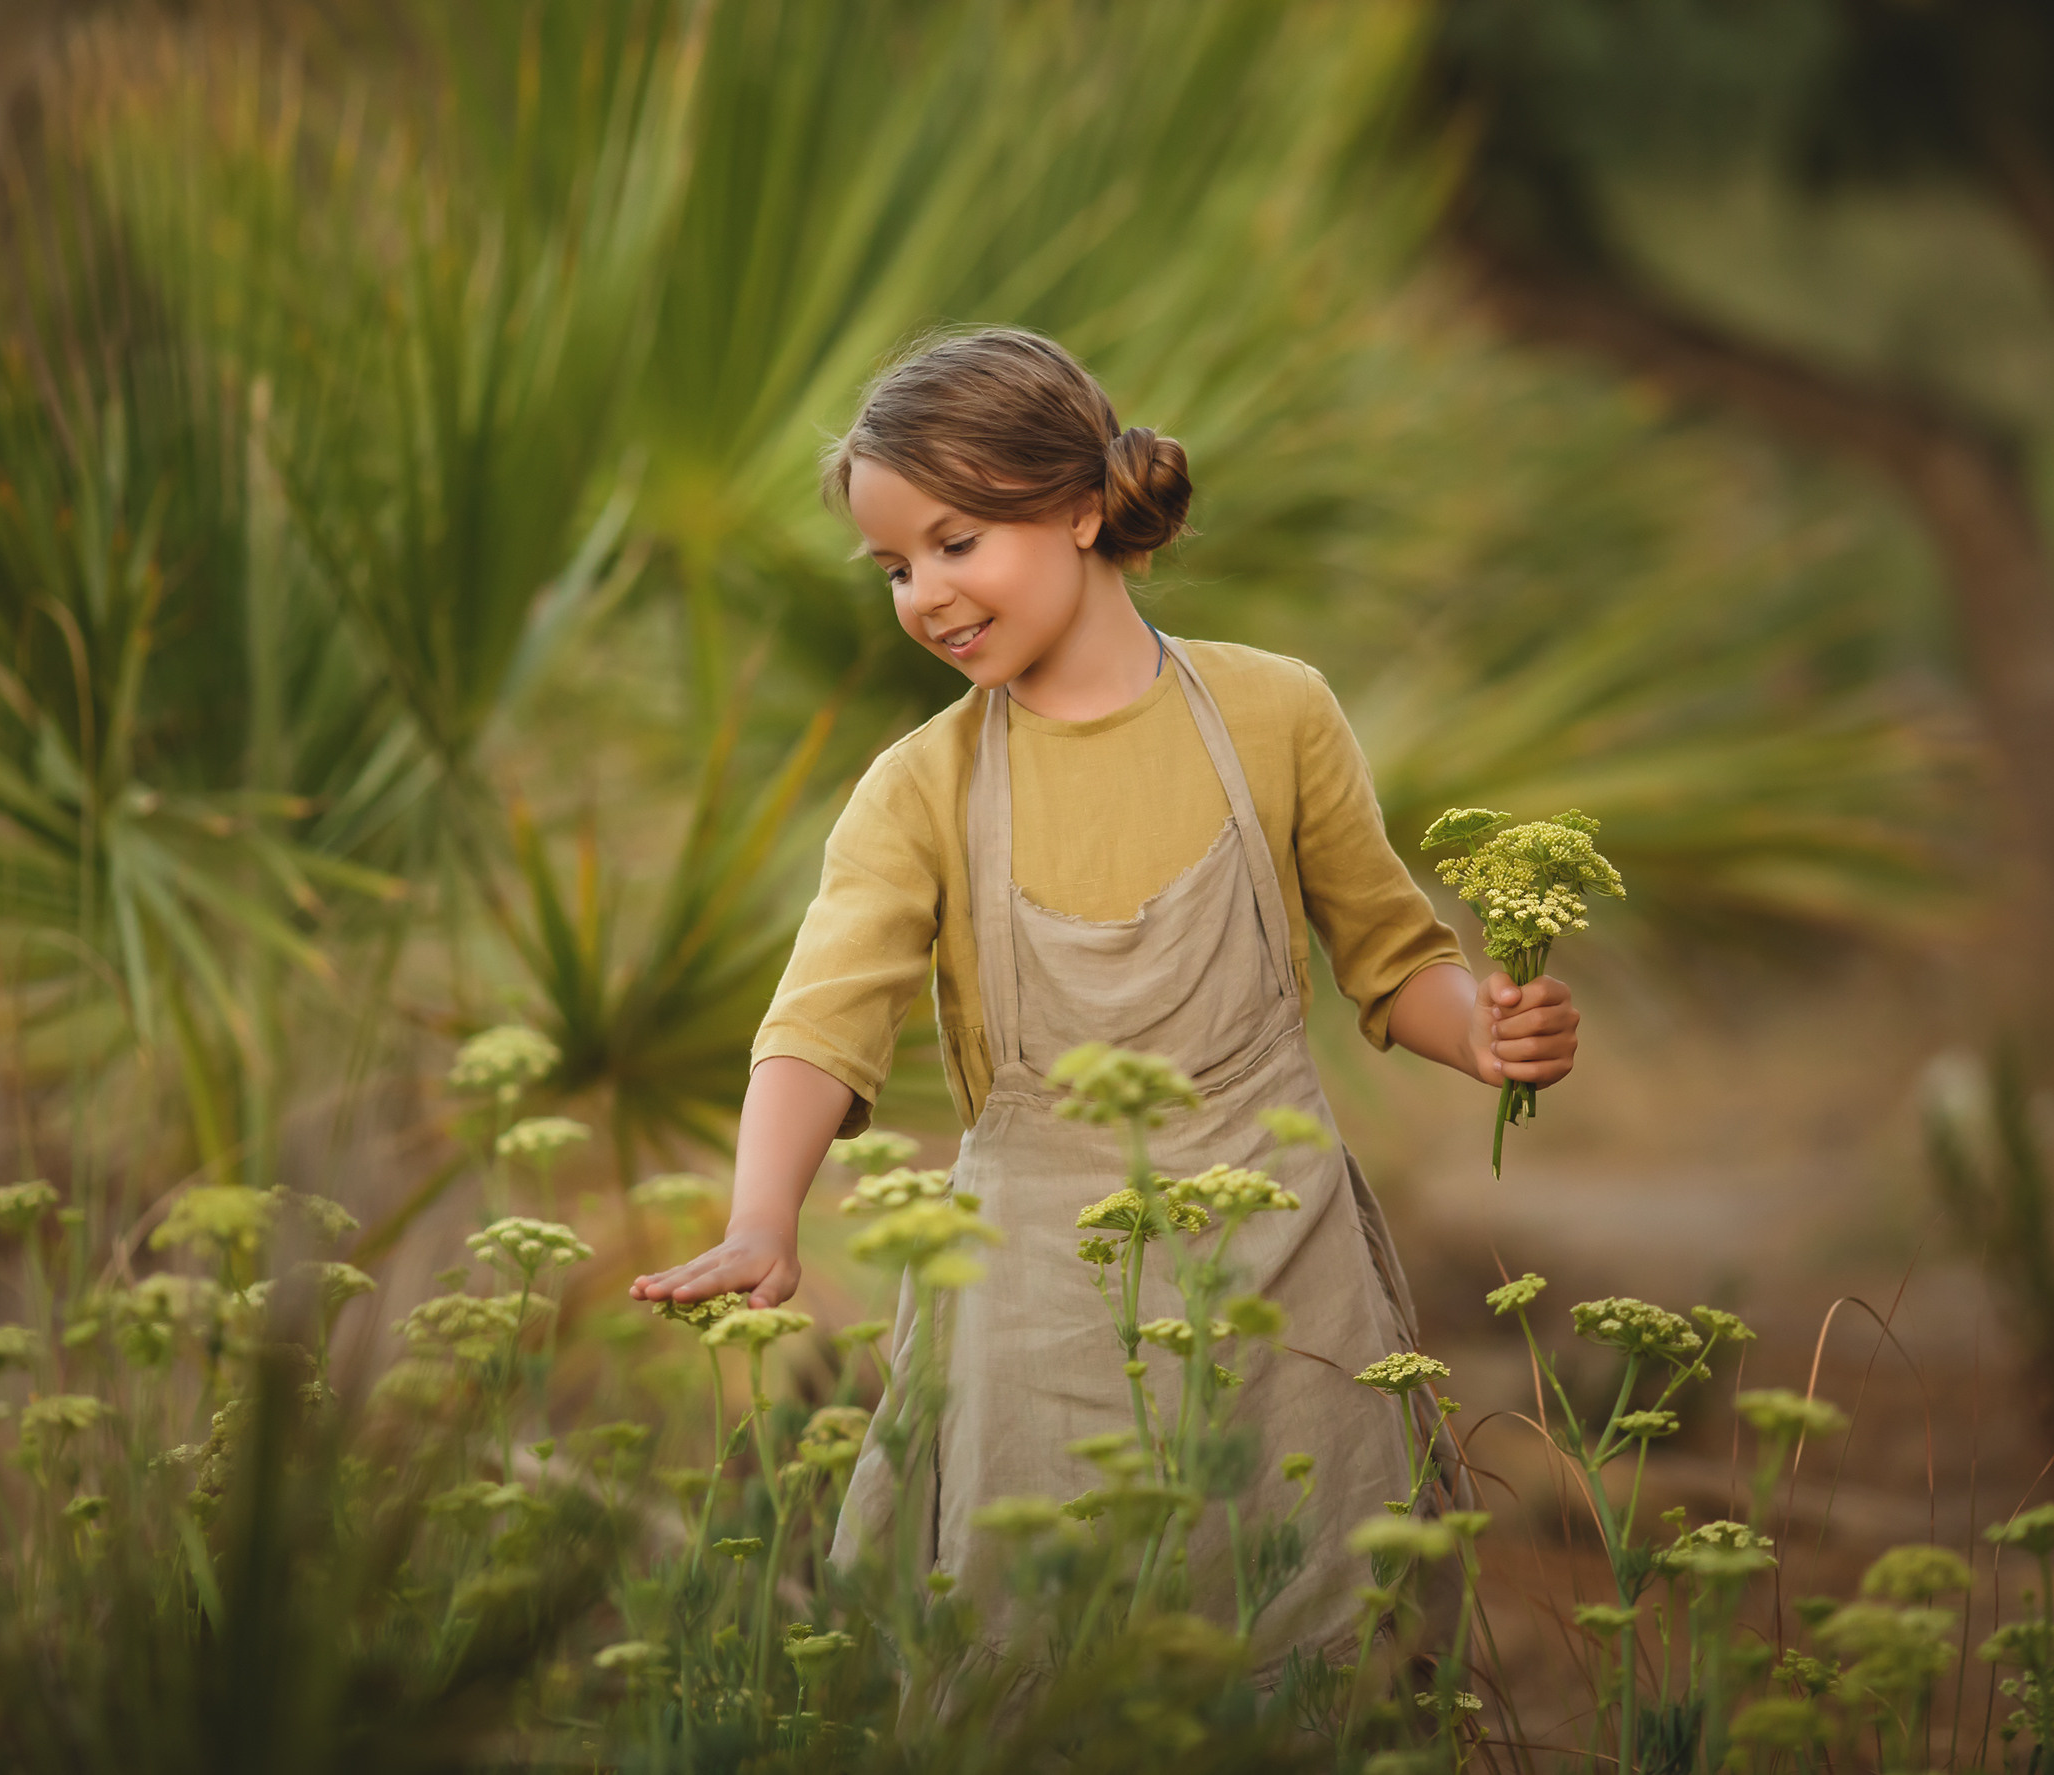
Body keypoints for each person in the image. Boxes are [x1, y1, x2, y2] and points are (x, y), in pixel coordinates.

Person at [630, 327, 1581, 1675]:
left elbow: (1389, 957)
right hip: (1029, 1293)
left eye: (958, 542)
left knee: (1314, 1645)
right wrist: (760, 1216)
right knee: (1042, 1657)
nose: (926, 594)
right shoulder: (921, 784)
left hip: (1284, 1270)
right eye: (896, 566)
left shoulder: (1275, 713)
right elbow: (822, 1023)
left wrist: (1486, 1034)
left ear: (1082, 506)